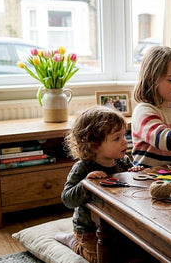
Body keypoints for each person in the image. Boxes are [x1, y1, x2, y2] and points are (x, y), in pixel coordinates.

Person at [57, 105, 145, 263]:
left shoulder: (123, 161)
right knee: (102, 259)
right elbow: (67, 199)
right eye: (117, 138)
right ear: (94, 145)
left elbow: (129, 189)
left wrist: (134, 174)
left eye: (124, 135)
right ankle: (73, 241)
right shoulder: (82, 168)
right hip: (89, 230)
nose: (125, 142)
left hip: (117, 226)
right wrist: (86, 184)